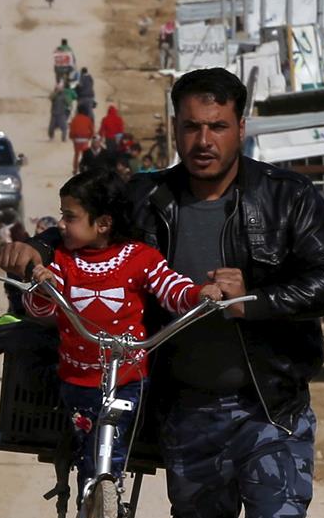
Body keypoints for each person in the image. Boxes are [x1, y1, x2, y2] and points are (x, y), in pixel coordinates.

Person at [0, 67, 324, 518]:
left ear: (241, 126)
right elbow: (76, 228)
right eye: (191, 125)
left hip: (270, 402)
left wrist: (257, 291)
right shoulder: (145, 197)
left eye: (218, 125)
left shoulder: (287, 197)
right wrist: (33, 250)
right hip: (186, 410)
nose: (204, 139)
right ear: (176, 126)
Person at [21, 172, 220, 485]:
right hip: (77, 381)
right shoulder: (62, 260)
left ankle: (107, 501)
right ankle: (91, 510)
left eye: (70, 217)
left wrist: (199, 294)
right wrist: (43, 290)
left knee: (110, 453)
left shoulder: (141, 258)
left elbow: (172, 289)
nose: (62, 225)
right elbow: (39, 308)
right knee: (90, 454)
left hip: (127, 380)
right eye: (62, 216)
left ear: (102, 224)